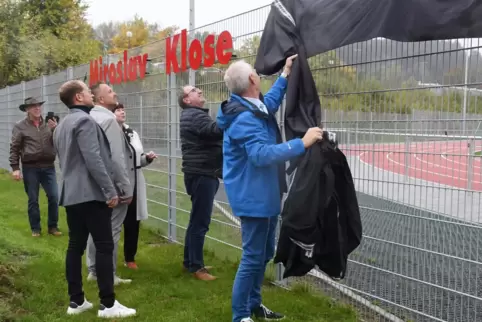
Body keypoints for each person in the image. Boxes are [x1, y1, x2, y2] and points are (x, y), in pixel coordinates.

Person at [216, 56, 323, 322]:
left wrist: (285, 74)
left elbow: (269, 104)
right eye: (255, 72)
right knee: (253, 256)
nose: (257, 73)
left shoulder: (251, 107)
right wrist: (302, 143)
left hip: (263, 192)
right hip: (253, 196)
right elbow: (260, 155)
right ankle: (240, 315)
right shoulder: (243, 118)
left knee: (263, 253)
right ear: (253, 80)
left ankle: (254, 305)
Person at [54, 80, 136, 318]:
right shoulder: (85, 121)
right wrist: (110, 191)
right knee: (104, 245)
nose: (91, 94)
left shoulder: (62, 124)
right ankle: (108, 304)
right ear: (78, 97)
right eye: (88, 92)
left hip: (71, 194)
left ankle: (76, 301)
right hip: (90, 194)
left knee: (75, 246)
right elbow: (95, 160)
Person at [86, 82, 135, 285]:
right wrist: (125, 187)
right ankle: (109, 274)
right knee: (112, 229)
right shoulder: (108, 120)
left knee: (95, 228)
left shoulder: (88, 118)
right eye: (109, 91)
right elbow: (116, 157)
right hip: (112, 185)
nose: (114, 93)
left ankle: (93, 270)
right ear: (100, 99)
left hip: (94, 183)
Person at [178, 85, 223, 281]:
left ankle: (190, 261)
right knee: (200, 222)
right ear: (187, 100)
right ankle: (197, 267)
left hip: (200, 172)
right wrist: (229, 112)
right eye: (194, 90)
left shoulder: (193, 115)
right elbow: (215, 130)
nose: (199, 91)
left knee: (196, 219)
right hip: (202, 173)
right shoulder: (194, 115)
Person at [9, 97, 61, 237]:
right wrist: (15, 168)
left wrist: (55, 129)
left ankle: (53, 226)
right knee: (33, 199)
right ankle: (35, 229)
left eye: (39, 106)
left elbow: (58, 142)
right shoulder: (20, 126)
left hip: (48, 166)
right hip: (30, 167)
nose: (37, 108)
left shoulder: (49, 124)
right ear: (27, 109)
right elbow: (14, 148)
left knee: (54, 196)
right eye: (33, 106)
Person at [113, 103, 157, 270]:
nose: (122, 111)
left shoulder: (132, 132)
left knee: (133, 221)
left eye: (123, 109)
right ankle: (105, 259)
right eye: (118, 109)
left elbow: (137, 159)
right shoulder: (108, 132)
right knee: (114, 222)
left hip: (135, 181)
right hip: (117, 182)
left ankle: (129, 257)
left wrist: (148, 158)